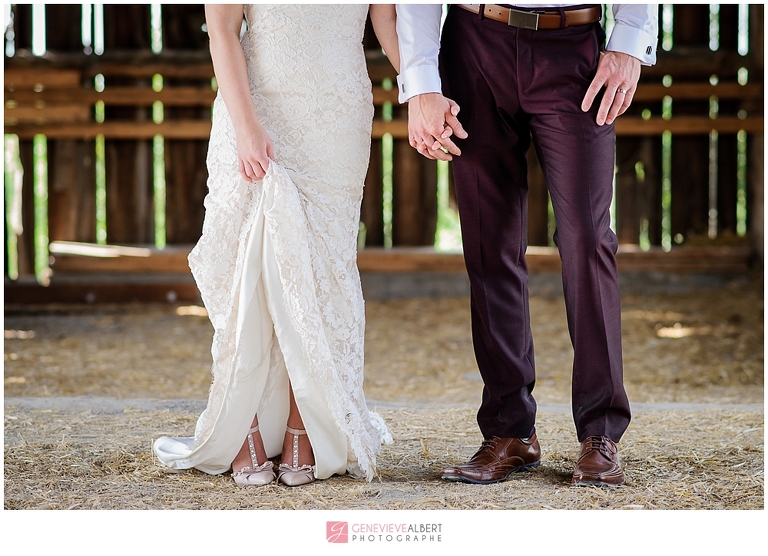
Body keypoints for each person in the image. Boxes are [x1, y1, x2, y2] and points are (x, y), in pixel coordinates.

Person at [396, 4, 658, 486]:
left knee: (587, 239)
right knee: (487, 240)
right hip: (473, 43)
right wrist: (421, 82)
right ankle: (509, 430)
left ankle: (601, 433)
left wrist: (628, 42)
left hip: (574, 48)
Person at [153, 4, 399, 486]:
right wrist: (246, 128)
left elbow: (387, 23)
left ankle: (303, 427)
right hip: (256, 109)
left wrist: (427, 88)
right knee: (243, 263)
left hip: (335, 120)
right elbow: (222, 30)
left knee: (321, 268)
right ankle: (242, 428)